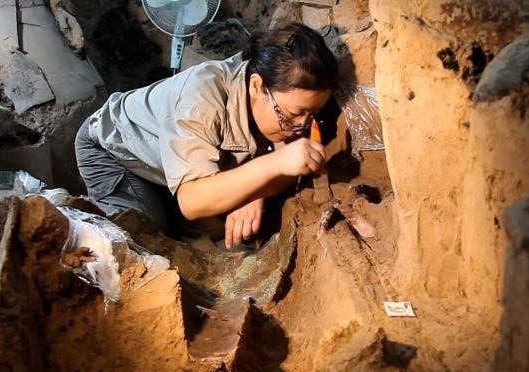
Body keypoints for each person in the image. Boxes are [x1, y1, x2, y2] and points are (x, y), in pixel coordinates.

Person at [75, 22, 338, 249]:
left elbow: (286, 160)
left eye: (312, 115)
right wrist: (271, 166)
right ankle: (77, 216)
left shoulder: (274, 85)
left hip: (169, 156)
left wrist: (255, 193)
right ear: (257, 86)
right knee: (148, 241)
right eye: (293, 114)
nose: (302, 126)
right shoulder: (200, 103)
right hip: (115, 150)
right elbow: (192, 202)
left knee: (218, 230)